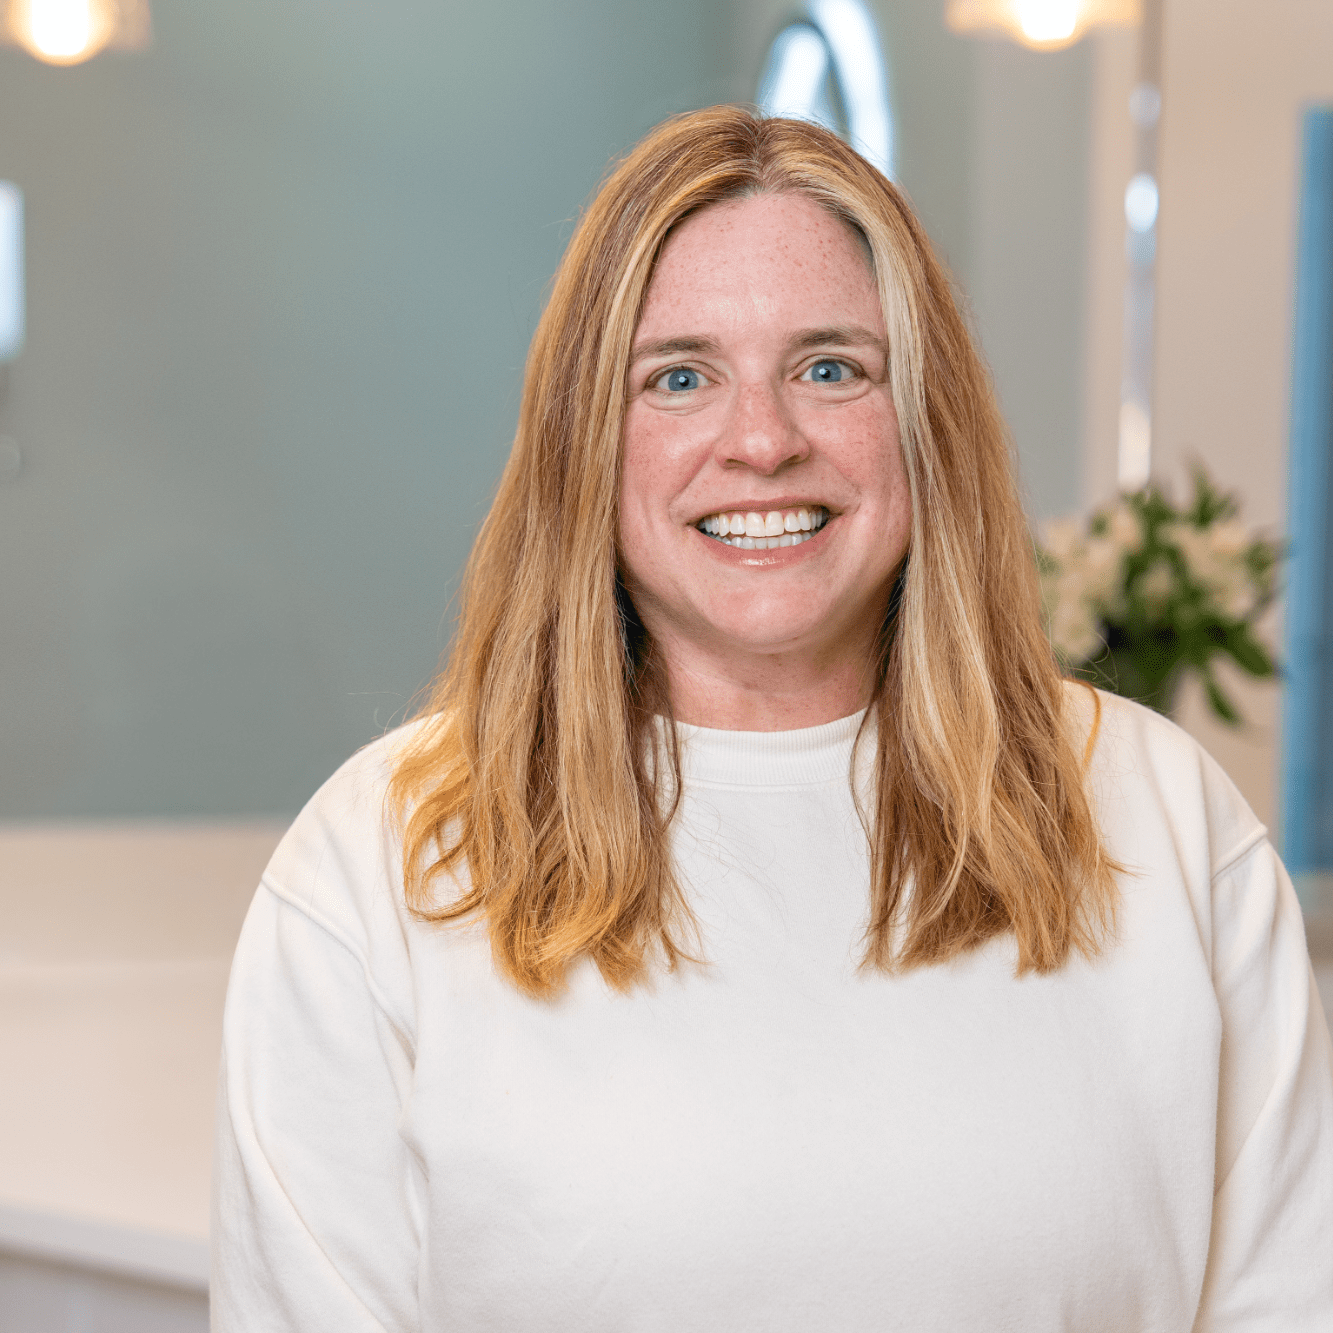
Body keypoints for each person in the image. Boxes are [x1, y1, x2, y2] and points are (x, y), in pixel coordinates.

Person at [211, 107, 1333, 1331]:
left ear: (924, 421)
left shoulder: (1165, 820)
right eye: (679, 377)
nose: (761, 441)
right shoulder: (379, 862)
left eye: (830, 368)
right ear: (584, 439)